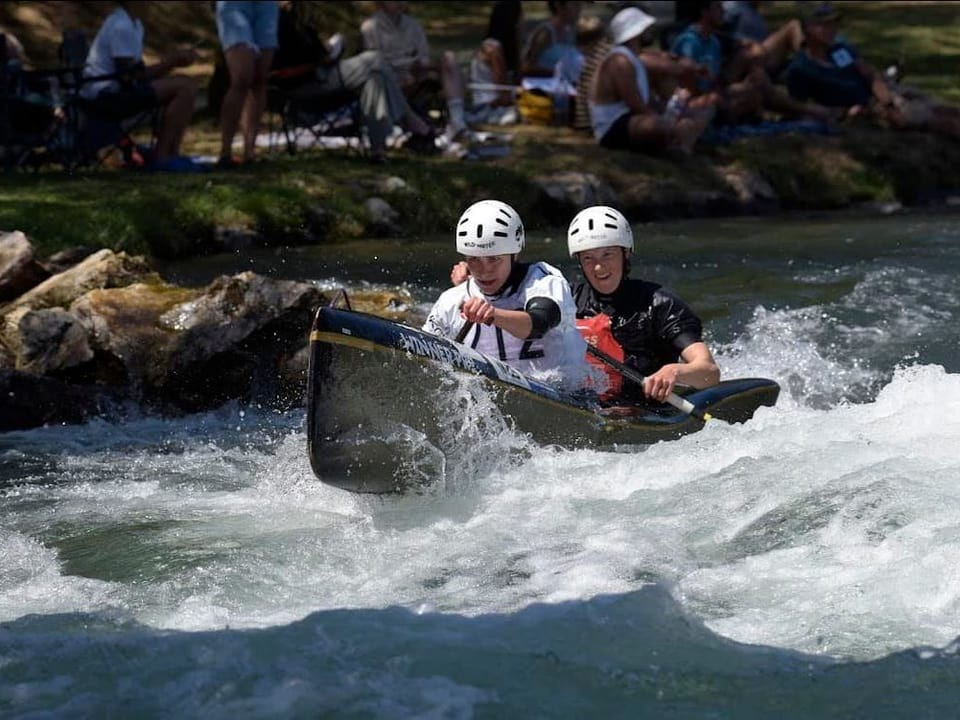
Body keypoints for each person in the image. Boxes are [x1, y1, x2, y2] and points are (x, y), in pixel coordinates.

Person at [423, 199, 588, 388]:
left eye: (494, 259)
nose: (484, 271)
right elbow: (425, 358)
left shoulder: (544, 281)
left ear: (515, 254)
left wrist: (493, 314)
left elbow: (539, 323)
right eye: (474, 260)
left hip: (566, 396)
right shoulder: (451, 301)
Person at [567, 205, 720, 403]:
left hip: (645, 412)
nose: (598, 267)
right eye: (588, 258)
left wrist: (674, 371)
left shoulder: (660, 304)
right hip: (584, 406)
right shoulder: (567, 299)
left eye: (608, 254)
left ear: (626, 253)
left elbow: (709, 372)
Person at [272, 1, 437, 161]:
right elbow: (292, 62)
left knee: (375, 79)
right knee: (374, 59)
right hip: (306, 85)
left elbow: (314, 50)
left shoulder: (297, 17)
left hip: (321, 76)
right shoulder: (276, 20)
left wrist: (329, 51)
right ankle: (411, 120)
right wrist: (324, 56)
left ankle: (378, 150)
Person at [783, 2, 960, 138]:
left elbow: (869, 73)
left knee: (943, 108)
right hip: (864, 109)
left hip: (883, 94)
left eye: (834, 24)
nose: (833, 30)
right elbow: (802, 108)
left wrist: (887, 101)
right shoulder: (801, 69)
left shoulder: (839, 50)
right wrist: (845, 114)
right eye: (826, 26)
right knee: (935, 121)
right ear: (808, 29)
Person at [81, 1, 199, 170]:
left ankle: (171, 151)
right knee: (184, 86)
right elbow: (129, 76)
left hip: (119, 90)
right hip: (106, 96)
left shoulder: (135, 24)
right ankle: (163, 154)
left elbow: (137, 73)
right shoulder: (121, 25)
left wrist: (173, 63)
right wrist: (171, 62)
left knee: (184, 84)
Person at [588, 7, 713, 155]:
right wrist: (666, 121)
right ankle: (680, 142)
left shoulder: (634, 58)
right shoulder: (620, 61)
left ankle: (680, 141)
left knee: (703, 111)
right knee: (662, 126)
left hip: (632, 119)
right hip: (613, 126)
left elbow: (647, 99)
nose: (649, 32)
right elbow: (635, 105)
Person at [360, 1, 468, 141]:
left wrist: (423, 65)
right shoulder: (370, 27)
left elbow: (423, 57)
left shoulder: (413, 25)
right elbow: (373, 61)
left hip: (416, 75)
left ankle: (457, 120)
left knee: (449, 59)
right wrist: (406, 65)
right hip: (389, 79)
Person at [215, 0, 279, 167]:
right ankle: (225, 152)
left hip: (266, 6)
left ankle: (249, 151)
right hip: (234, 5)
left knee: (259, 79)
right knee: (242, 78)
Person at [467, 0, 523, 126]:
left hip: (499, 102)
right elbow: (503, 94)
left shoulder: (507, 49)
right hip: (488, 105)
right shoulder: (493, 48)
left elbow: (518, 80)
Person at [520, 0, 584, 84]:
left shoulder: (571, 33)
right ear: (558, 5)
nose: (579, 9)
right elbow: (526, 67)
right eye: (574, 4)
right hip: (540, 92)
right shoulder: (545, 34)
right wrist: (557, 73)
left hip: (563, 92)